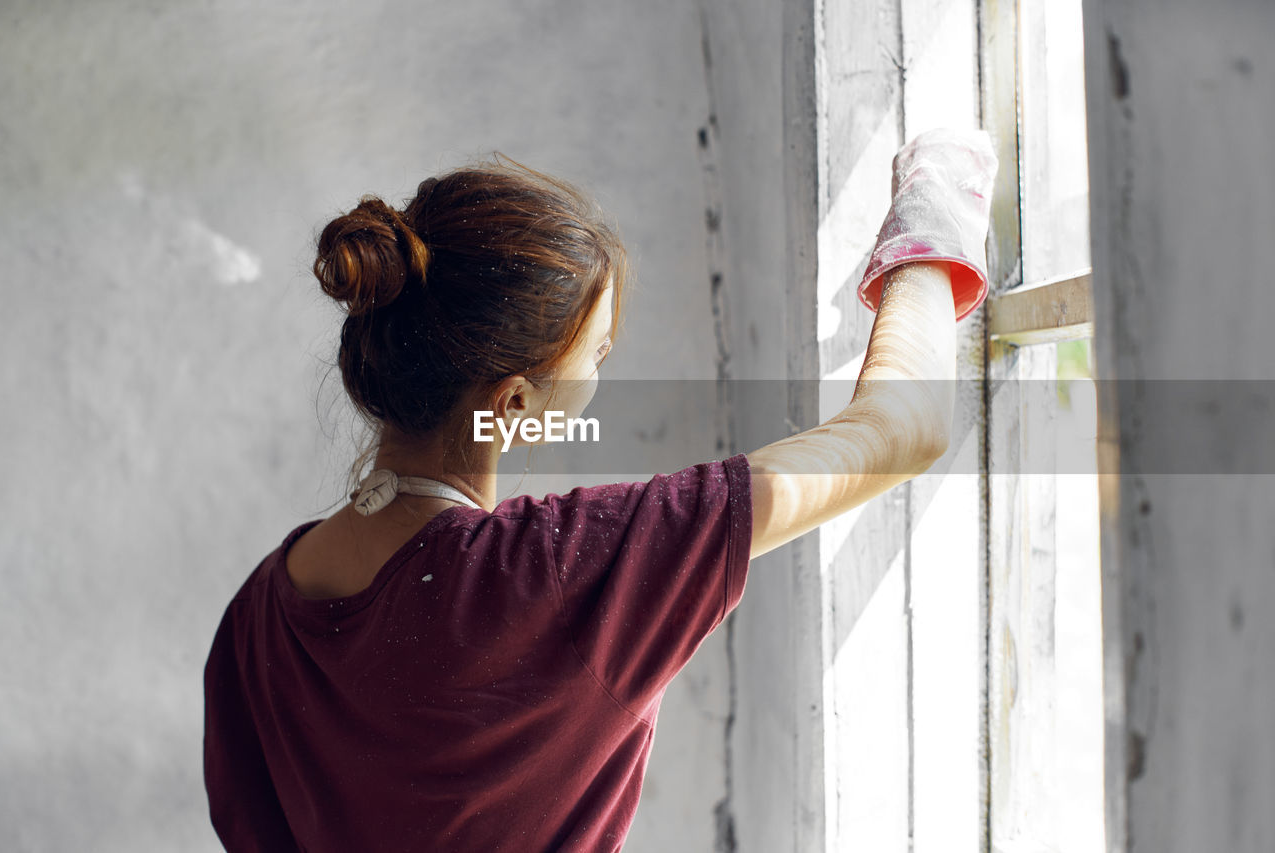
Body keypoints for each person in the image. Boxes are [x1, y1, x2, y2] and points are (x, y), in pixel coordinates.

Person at [203, 130, 997, 852]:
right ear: (515, 403)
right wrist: (935, 199)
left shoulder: (253, 619)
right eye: (599, 355)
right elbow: (904, 426)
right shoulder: (547, 573)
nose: (599, 381)